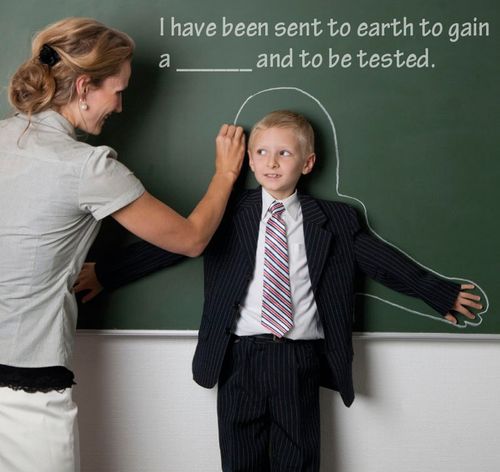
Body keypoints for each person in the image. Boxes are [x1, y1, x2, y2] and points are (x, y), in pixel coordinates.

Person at [78, 110, 482, 471]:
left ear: (307, 163)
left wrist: (439, 293)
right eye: (261, 152)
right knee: (240, 458)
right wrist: (108, 273)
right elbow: (171, 245)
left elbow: (382, 261)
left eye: (284, 154)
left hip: (298, 357)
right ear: (248, 160)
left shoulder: (334, 220)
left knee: (299, 458)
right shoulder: (227, 214)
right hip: (238, 356)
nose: (271, 162)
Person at [0, 17, 244, 472]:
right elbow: (191, 239)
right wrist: (227, 174)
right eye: (119, 89)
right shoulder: (87, 167)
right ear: (85, 86)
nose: (121, 105)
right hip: (24, 387)